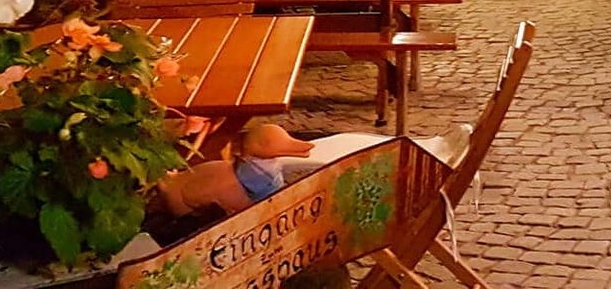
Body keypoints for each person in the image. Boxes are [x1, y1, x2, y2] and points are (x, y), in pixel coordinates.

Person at [157, 121, 473, 216]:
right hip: (189, 203)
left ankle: (431, 149)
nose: (295, 145)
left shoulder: (257, 173)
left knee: (343, 148)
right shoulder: (241, 182)